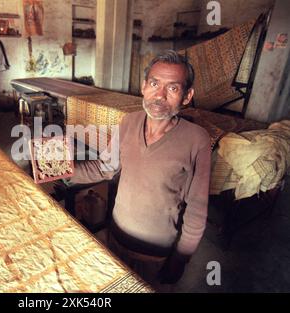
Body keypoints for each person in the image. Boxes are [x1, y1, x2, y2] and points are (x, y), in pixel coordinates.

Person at [68, 50, 211, 291]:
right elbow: (106, 167)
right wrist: (62, 170)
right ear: (144, 86)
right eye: (154, 83)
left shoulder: (197, 140)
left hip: (155, 255)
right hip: (115, 239)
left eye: (173, 88)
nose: (160, 95)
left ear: (187, 96)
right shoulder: (128, 122)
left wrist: (180, 259)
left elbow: (197, 209)